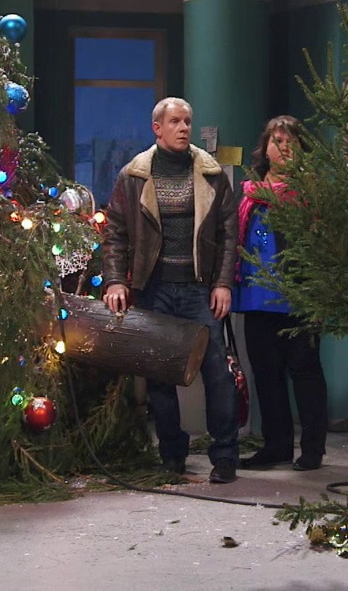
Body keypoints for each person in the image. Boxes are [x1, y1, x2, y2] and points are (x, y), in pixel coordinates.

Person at [101, 96, 240, 484]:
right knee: (160, 378)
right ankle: (172, 455)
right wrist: (115, 279)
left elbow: (229, 233)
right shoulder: (134, 176)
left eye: (187, 122)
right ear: (157, 128)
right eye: (175, 121)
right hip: (155, 288)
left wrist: (222, 283)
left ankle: (225, 456)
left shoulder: (211, 174)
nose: (183, 128)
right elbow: (115, 232)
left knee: (217, 373)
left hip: (198, 289)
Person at [234, 115, 328, 472]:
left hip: (298, 296)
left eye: (291, 142)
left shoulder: (311, 194)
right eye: (278, 140)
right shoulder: (248, 192)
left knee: (305, 372)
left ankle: (313, 448)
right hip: (255, 296)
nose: (284, 147)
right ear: (265, 147)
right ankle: (276, 446)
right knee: (266, 374)